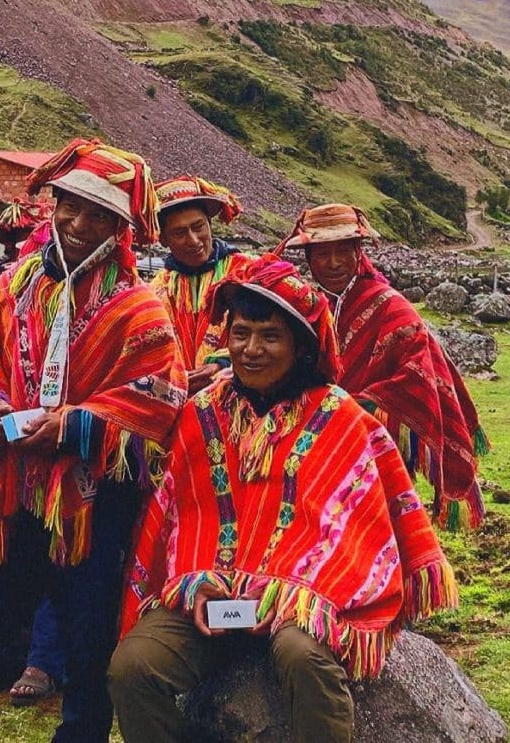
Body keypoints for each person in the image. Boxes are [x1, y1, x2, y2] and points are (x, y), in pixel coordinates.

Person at [110, 256, 458, 743]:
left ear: (300, 345)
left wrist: (294, 591)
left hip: (301, 603)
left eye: (270, 336)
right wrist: (196, 582)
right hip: (214, 597)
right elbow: (181, 516)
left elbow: (357, 534)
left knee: (302, 654)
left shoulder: (344, 421)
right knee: (132, 667)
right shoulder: (201, 413)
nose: (251, 349)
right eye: (241, 333)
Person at [0, 138, 186, 743]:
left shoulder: (139, 310)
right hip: (4, 500)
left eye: (99, 215)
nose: (79, 224)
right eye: (70, 206)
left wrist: (76, 423)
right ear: (52, 204)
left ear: (121, 227)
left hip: (89, 509)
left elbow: (160, 399)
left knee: (88, 660)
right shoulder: (10, 290)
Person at [277, 203, 487, 528]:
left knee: (380, 534)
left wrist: (356, 407)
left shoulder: (391, 308)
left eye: (343, 251)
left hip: (378, 450)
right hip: (309, 448)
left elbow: (418, 373)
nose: (333, 263)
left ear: (358, 251)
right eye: (321, 254)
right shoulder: (301, 307)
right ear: (308, 258)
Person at [150, 175, 252, 394]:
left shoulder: (247, 273)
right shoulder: (159, 289)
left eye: (198, 227)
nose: (194, 240)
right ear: (163, 240)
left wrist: (223, 365)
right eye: (179, 233)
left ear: (209, 224)